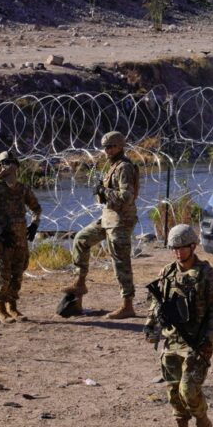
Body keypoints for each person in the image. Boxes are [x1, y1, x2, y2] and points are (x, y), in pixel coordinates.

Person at [144, 224, 213, 427]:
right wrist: (151, 324)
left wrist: (208, 340)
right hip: (171, 340)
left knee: (188, 389)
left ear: (193, 246)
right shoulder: (167, 273)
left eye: (182, 248)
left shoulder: (208, 276)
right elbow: (156, 303)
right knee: (173, 391)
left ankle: (202, 421)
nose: (178, 253)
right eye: (174, 248)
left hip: (196, 341)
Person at [62, 131, 140, 318]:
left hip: (120, 221)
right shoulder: (112, 166)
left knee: (121, 262)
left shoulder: (124, 168)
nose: (107, 150)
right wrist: (102, 192)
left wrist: (105, 191)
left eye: (111, 146)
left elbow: (127, 197)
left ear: (120, 146)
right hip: (108, 218)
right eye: (105, 147)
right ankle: (80, 282)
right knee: (81, 239)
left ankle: (127, 305)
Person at [0, 151, 42, 323]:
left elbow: (36, 208)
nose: (9, 166)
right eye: (5, 163)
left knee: (18, 272)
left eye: (12, 162)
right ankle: (0, 309)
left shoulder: (22, 189)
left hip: (20, 238)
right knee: (2, 274)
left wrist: (35, 225)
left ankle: (12, 307)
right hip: (2, 240)